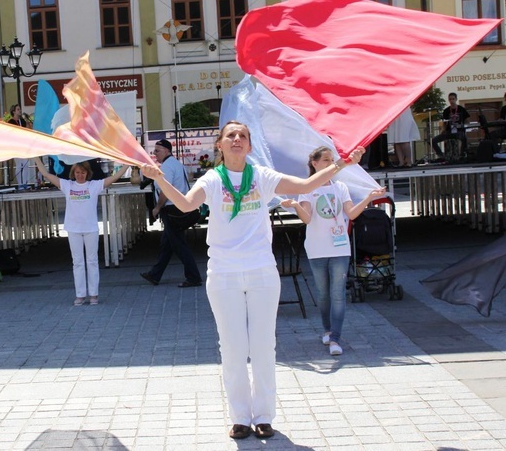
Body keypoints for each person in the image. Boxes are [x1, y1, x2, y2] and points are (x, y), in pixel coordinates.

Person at [141, 121, 365, 440]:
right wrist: (159, 177)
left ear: (249, 146)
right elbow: (186, 203)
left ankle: (263, 415)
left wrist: (343, 164)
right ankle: (240, 417)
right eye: (230, 135)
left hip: (261, 270)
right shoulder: (213, 179)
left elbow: (303, 186)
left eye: (242, 136)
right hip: (224, 273)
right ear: (220, 145)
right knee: (232, 347)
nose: (236, 139)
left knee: (263, 345)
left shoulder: (262, 176)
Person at [281, 146, 386, 356]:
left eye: (332, 160)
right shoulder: (308, 189)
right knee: (323, 295)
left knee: (338, 294)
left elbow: (352, 214)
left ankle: (335, 338)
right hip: (317, 248)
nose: (331, 164)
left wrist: (368, 198)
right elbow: (308, 219)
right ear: (315, 163)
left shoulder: (340, 187)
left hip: (340, 247)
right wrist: (295, 205)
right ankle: (328, 330)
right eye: (326, 160)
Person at [34, 157, 129, 306]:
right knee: (77, 262)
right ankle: (80, 295)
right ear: (73, 173)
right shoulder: (67, 185)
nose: (80, 175)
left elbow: (115, 177)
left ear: (87, 173)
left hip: (90, 228)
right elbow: (46, 174)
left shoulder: (94, 185)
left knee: (92, 261)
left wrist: (128, 163)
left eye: (83, 172)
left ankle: (94, 294)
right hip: (73, 228)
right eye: (77, 172)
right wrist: (35, 157)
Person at [140, 139, 202, 288]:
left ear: (167, 151)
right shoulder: (176, 163)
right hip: (177, 209)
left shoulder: (167, 166)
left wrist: (157, 207)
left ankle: (194, 277)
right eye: (154, 151)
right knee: (166, 244)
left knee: (179, 246)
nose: (155, 154)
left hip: (172, 210)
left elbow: (165, 191)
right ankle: (155, 274)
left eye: (157, 150)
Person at [432, 92, 470, 159]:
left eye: (453, 99)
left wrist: (464, 126)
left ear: (456, 99)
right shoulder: (446, 111)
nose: (451, 101)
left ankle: (462, 155)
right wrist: (442, 131)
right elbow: (444, 123)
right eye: (450, 99)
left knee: (464, 138)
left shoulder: (461, 109)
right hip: (449, 132)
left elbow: (467, 120)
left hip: (459, 131)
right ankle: (441, 155)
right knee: (434, 140)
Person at [8, 104, 35, 187]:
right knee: (19, 165)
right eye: (18, 109)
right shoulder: (10, 122)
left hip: (23, 145)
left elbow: (27, 130)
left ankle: (24, 183)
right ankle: (20, 184)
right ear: (14, 111)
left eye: (20, 109)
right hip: (15, 146)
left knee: (26, 164)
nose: (20, 111)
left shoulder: (22, 121)